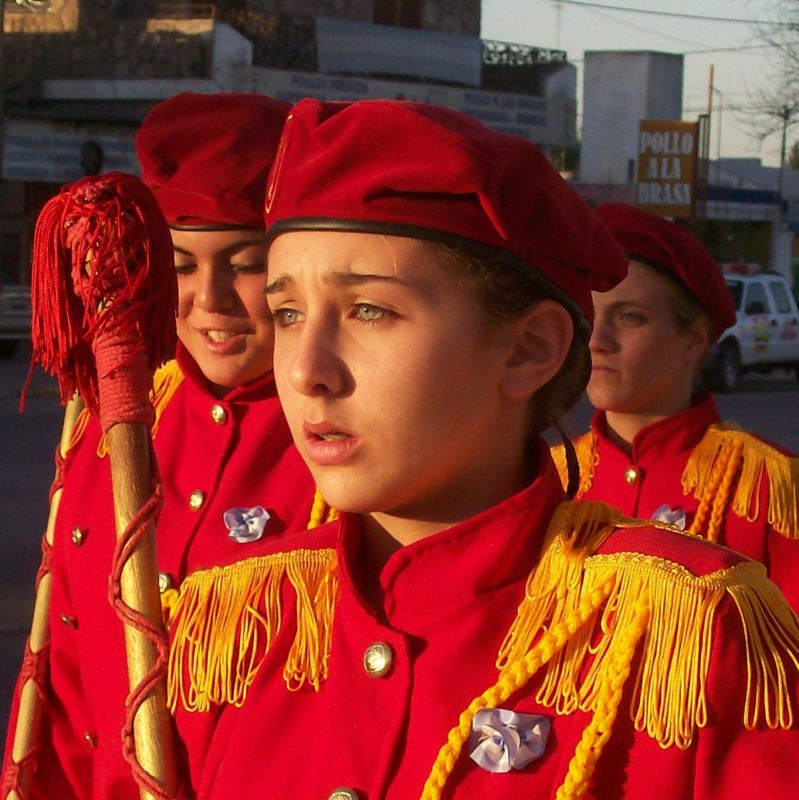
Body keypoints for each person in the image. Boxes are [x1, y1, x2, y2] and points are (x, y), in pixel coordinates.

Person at [162, 100, 799, 798]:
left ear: (529, 349)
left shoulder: (692, 633)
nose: (304, 368)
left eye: (368, 311)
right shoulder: (238, 622)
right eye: (287, 313)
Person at [1, 93, 322, 799]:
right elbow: (66, 692)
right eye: (180, 266)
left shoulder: (346, 446)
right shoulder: (112, 426)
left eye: (244, 264)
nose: (210, 300)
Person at [551, 202, 799, 610]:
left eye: (629, 316)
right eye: (588, 316)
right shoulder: (550, 478)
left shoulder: (770, 489)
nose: (598, 340)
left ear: (695, 338)